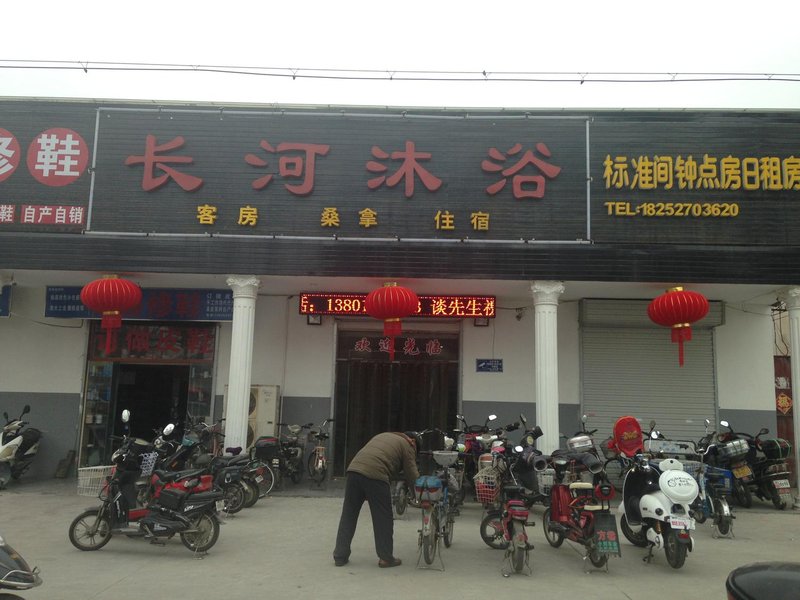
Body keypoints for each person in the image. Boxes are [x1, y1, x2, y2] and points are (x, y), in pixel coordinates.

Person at [333, 431, 420, 568]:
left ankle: (340, 556)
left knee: (349, 514)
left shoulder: (383, 436)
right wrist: (419, 496)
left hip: (354, 471)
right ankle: (386, 558)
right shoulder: (408, 445)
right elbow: (412, 474)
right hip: (376, 474)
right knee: (383, 517)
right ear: (413, 442)